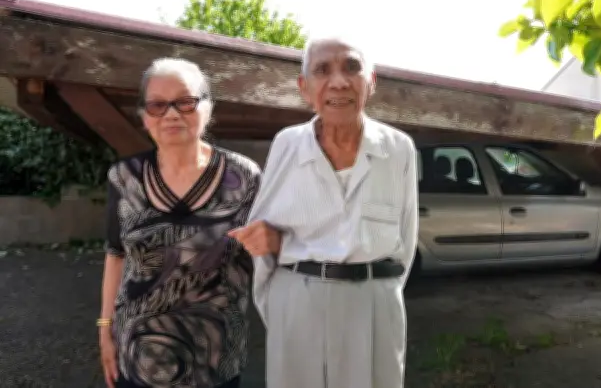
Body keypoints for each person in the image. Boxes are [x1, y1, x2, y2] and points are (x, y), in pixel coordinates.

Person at [229, 34, 419, 388]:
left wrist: (381, 294)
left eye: (352, 68)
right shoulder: (287, 144)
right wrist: (279, 289)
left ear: (371, 82)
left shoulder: (398, 148)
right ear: (304, 87)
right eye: (322, 70)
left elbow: (407, 237)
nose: (338, 82)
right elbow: (262, 229)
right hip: (298, 297)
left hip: (374, 301)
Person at [98, 58, 262, 388]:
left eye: (185, 102)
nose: (172, 114)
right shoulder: (124, 178)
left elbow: (266, 256)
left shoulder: (244, 178)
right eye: (158, 105)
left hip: (215, 359)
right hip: (138, 357)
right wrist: (105, 328)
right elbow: (116, 255)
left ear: (208, 108)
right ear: (145, 116)